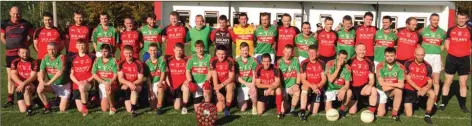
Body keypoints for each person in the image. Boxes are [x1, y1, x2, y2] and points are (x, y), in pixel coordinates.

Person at [1, 6, 35, 108]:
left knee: (27, 75)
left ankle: (31, 95)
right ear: (10, 13)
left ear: (21, 13)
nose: (16, 15)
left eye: (18, 13)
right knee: (10, 77)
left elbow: (32, 37)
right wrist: (9, 46)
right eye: (14, 13)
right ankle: (10, 99)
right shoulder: (4, 23)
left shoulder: (26, 24)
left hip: (23, 55)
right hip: (10, 55)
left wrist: (24, 48)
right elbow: (2, 37)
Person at [440, 12, 471, 113]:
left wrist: (467, 52)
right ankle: (443, 103)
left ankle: (463, 105)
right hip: (451, 59)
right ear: (456, 19)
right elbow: (447, 42)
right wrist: (451, 53)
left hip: (464, 60)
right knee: (447, 81)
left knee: (463, 83)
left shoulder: (470, 30)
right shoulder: (451, 29)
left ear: (466, 19)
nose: (461, 20)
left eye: (463, 18)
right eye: (459, 18)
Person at [404, 47, 435, 124]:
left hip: (421, 89)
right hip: (409, 89)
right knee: (409, 115)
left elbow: (430, 82)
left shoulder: (428, 66)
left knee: (432, 93)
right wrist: (419, 89)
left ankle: (427, 115)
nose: (420, 57)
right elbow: (408, 79)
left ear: (424, 55)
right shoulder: (408, 63)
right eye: (418, 55)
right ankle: (408, 103)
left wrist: (426, 88)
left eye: (422, 55)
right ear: (414, 54)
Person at [420, 13, 446, 104]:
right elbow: (418, 42)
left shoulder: (442, 32)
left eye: (437, 20)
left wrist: (439, 51)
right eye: (434, 19)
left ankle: (435, 99)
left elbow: (444, 44)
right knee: (423, 78)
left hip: (436, 57)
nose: (436, 21)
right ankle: (421, 96)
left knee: (436, 79)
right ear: (430, 20)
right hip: (425, 56)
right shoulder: (422, 31)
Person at [37, 43, 69, 113]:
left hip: (64, 86)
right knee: (39, 89)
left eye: (53, 49)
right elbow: (41, 71)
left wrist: (48, 83)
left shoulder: (62, 57)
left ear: (57, 49)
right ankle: (47, 107)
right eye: (49, 49)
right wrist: (41, 81)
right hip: (53, 86)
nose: (51, 51)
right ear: (47, 50)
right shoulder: (45, 57)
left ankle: (68, 99)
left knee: (62, 109)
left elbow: (60, 73)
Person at [375, 47, 404, 121]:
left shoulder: (400, 67)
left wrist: (387, 84)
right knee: (380, 114)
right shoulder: (380, 66)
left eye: (391, 56)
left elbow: (401, 85)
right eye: (387, 56)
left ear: (395, 56)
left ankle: (394, 114)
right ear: (384, 56)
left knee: (399, 91)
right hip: (381, 90)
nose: (389, 58)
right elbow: (381, 83)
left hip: (392, 90)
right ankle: (380, 104)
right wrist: (395, 84)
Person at [347, 44, 377, 115]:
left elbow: (372, 78)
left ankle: (371, 113)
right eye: (360, 50)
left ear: (366, 51)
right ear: (355, 50)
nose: (362, 52)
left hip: (363, 87)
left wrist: (370, 86)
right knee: (352, 112)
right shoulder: (350, 61)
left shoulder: (369, 62)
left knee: (373, 90)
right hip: (353, 87)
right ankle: (359, 102)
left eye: (364, 50)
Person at [299, 45, 326, 121]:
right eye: (310, 52)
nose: (312, 54)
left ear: (317, 53)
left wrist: (317, 86)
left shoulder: (322, 63)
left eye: (314, 52)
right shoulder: (304, 63)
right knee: (304, 88)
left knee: (314, 112)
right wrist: (312, 86)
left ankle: (307, 102)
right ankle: (303, 113)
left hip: (318, 88)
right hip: (308, 86)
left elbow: (324, 79)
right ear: (308, 53)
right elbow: (303, 80)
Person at [69, 39, 95, 116]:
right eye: (79, 45)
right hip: (77, 85)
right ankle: (90, 101)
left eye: (83, 45)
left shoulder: (92, 57)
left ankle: (85, 107)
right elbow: (71, 75)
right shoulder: (72, 58)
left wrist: (87, 80)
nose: (81, 47)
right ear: (76, 46)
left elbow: (95, 73)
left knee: (82, 88)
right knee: (79, 109)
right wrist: (78, 82)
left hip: (88, 83)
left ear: (86, 46)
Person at [185, 40, 213, 110]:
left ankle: (207, 104)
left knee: (206, 91)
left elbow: (210, 71)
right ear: (195, 48)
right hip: (196, 84)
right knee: (197, 109)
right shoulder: (192, 58)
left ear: (204, 47)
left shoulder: (208, 57)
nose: (200, 50)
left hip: (205, 82)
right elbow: (188, 71)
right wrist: (190, 81)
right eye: (197, 48)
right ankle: (200, 100)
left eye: (201, 47)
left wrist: (207, 80)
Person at [10, 47, 38, 115]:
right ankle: (35, 101)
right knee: (22, 110)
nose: (25, 54)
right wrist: (21, 84)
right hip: (20, 85)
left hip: (31, 84)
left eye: (27, 52)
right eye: (23, 53)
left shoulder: (33, 62)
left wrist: (24, 84)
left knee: (26, 88)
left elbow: (33, 77)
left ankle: (29, 110)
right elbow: (13, 75)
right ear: (19, 53)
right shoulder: (15, 62)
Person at [118, 45, 144, 117]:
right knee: (124, 88)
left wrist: (132, 84)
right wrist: (129, 83)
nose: (128, 55)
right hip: (127, 84)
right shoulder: (121, 63)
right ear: (123, 53)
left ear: (133, 52)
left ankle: (133, 110)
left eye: (130, 53)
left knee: (134, 89)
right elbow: (120, 78)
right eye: (126, 53)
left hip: (137, 84)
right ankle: (135, 101)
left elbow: (140, 79)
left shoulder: (138, 63)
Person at [92, 44, 119, 115]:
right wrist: (104, 82)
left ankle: (112, 106)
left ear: (110, 51)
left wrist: (109, 83)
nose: (103, 53)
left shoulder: (114, 60)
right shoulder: (97, 60)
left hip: (112, 83)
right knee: (104, 108)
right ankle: (114, 100)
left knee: (108, 90)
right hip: (103, 83)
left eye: (105, 51)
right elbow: (94, 74)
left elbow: (116, 75)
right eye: (102, 51)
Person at [324, 50, 352, 118]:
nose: (343, 60)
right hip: (330, 89)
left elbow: (347, 84)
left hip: (340, 89)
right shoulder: (329, 63)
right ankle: (333, 103)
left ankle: (342, 110)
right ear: (337, 56)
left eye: (345, 58)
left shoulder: (347, 67)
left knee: (349, 92)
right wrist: (338, 68)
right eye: (341, 57)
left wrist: (343, 89)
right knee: (329, 112)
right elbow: (330, 80)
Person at [255, 53, 283, 119]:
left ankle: (279, 112)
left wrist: (270, 89)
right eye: (264, 61)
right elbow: (258, 85)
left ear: (270, 61)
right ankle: (269, 103)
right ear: (262, 62)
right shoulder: (258, 69)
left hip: (273, 89)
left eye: (268, 61)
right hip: (263, 90)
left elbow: (278, 83)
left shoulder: (275, 68)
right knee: (259, 112)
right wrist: (269, 87)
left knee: (278, 89)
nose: (266, 63)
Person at [276, 45, 300, 117]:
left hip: (292, 86)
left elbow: (298, 74)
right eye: (286, 52)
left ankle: (292, 110)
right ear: (283, 51)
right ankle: (287, 102)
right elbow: (277, 77)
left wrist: (297, 84)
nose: (287, 54)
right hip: (283, 87)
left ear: (292, 53)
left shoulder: (295, 60)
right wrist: (281, 89)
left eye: (289, 52)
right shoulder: (279, 62)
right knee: (283, 110)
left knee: (297, 90)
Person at [211, 45, 235, 116]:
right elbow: (214, 76)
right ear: (216, 53)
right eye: (219, 54)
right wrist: (217, 91)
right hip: (218, 86)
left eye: (223, 54)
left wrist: (221, 85)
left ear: (226, 53)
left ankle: (227, 109)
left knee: (230, 86)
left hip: (227, 84)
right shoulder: (213, 61)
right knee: (220, 109)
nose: (221, 56)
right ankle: (221, 99)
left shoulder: (230, 61)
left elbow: (231, 77)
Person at [235, 42, 258, 115]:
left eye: (246, 50)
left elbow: (255, 75)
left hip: (251, 84)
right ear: (240, 50)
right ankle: (248, 100)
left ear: (249, 50)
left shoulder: (253, 60)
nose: (245, 52)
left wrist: (252, 84)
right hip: (242, 86)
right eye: (243, 50)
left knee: (253, 91)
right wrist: (246, 83)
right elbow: (236, 76)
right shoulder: (236, 61)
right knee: (242, 109)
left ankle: (254, 106)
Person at [167, 43, 190, 114]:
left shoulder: (186, 60)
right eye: (177, 50)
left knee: (186, 87)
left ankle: (185, 107)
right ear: (173, 50)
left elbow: (188, 72)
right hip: (173, 86)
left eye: (180, 50)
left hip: (182, 84)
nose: (179, 52)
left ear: (183, 51)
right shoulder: (169, 60)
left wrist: (187, 80)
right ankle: (175, 99)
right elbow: (166, 75)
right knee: (177, 107)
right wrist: (169, 86)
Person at [144, 43, 167, 116]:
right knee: (153, 107)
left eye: (154, 50)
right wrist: (150, 90)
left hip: (160, 81)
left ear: (157, 50)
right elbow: (147, 78)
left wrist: (160, 82)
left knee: (160, 88)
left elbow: (163, 73)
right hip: (152, 83)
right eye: (151, 50)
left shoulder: (161, 59)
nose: (153, 52)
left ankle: (160, 107)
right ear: (148, 51)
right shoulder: (146, 63)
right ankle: (163, 101)